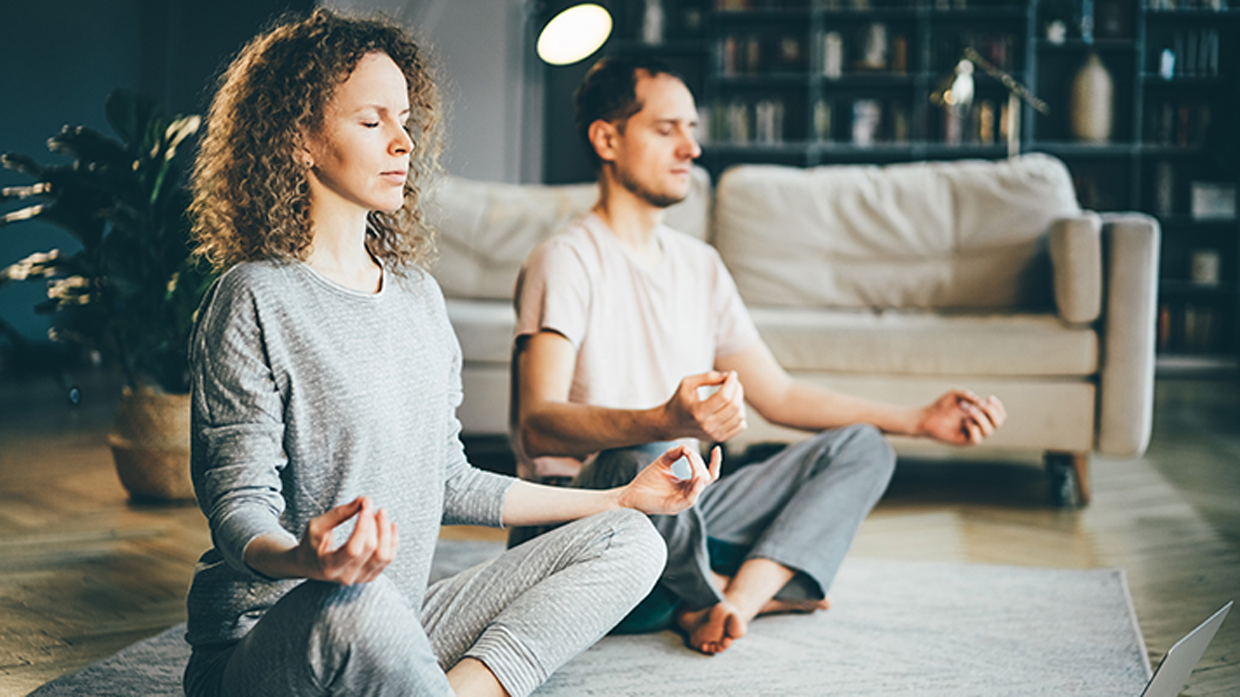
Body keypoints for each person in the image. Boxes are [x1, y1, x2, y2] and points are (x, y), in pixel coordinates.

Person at [183, 12, 721, 697]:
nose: (404, 142)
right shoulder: (254, 298)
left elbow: (451, 479)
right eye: (373, 121)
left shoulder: (418, 296)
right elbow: (237, 508)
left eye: (405, 119)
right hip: (279, 637)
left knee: (631, 537)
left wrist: (621, 495)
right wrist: (305, 557)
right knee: (361, 602)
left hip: (398, 616)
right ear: (299, 139)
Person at [511, 55, 1008, 656]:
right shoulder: (566, 258)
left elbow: (781, 396)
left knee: (863, 446)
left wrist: (919, 420)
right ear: (607, 138)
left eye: (692, 130)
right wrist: (665, 420)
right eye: (667, 129)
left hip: (679, 512)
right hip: (580, 521)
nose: (690, 148)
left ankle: (729, 604)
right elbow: (539, 424)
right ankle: (715, 591)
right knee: (654, 453)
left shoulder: (700, 266)